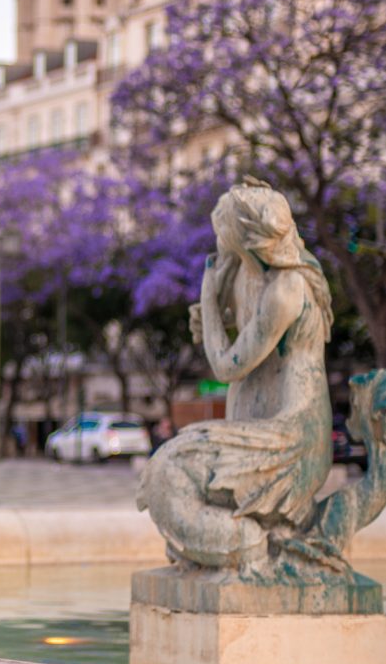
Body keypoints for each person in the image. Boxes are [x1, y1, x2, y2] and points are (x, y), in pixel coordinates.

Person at [138, 179, 333, 572]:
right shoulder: (245, 275)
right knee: (167, 473)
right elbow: (226, 332)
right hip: (255, 425)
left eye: (223, 233)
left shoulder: (286, 288)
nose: (219, 244)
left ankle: (248, 547)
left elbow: (226, 367)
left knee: (168, 471)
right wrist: (212, 318)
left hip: (292, 438)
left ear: (244, 237)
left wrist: (209, 302)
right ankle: (232, 545)